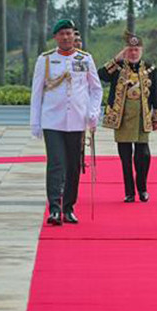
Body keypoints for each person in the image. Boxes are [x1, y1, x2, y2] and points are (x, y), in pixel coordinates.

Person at [30, 19, 103, 225]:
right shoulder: (45, 60)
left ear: (74, 35)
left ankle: (68, 208)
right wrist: (35, 122)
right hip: (52, 121)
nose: (66, 37)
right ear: (56, 37)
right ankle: (54, 209)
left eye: (69, 33)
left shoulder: (85, 59)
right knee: (56, 164)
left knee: (73, 166)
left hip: (77, 120)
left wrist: (93, 112)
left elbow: (96, 89)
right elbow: (36, 93)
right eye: (61, 34)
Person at [98, 31, 157, 203]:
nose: (133, 53)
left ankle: (142, 188)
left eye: (136, 49)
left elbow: (156, 93)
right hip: (122, 117)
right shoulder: (118, 67)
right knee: (125, 157)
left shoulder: (150, 68)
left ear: (141, 50)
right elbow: (101, 76)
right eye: (130, 49)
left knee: (143, 155)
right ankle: (129, 192)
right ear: (125, 50)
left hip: (142, 116)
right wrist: (117, 58)